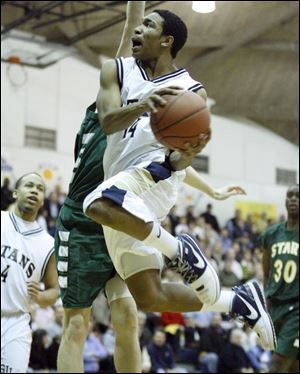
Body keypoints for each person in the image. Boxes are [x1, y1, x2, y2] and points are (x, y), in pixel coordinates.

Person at [83, 8, 276, 351]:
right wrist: (143, 104)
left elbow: (179, 158)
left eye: (148, 26)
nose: (137, 30)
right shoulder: (116, 70)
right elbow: (108, 121)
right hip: (123, 183)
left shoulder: (191, 92)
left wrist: (188, 154)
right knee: (149, 296)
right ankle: (237, 301)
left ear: (167, 40)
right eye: (139, 24)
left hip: (156, 176)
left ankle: (178, 249)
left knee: (95, 203)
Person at [55, 2, 145, 373]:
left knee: (128, 317)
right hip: (81, 220)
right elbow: (132, 25)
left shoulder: (149, 124)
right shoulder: (108, 102)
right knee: (77, 323)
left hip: (117, 221)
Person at [1, 172, 59, 373]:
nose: (35, 190)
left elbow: (54, 290)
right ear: (16, 193)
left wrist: (41, 296)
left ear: (43, 200)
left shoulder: (48, 244)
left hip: (16, 322)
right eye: (29, 185)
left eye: (40, 188)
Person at [261, 184, 299, 373]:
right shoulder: (271, 234)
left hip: (297, 309)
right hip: (275, 306)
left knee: (277, 365)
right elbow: (266, 273)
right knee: (292, 367)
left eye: (298, 196)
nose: (293, 199)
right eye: (290, 195)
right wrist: (266, 300)